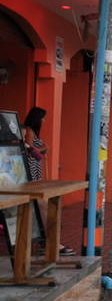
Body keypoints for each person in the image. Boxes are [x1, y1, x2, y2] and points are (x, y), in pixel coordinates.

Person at [23, 107, 75, 256]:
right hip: (32, 173)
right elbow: (32, 150)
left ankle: (48, 240)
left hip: (36, 172)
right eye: (42, 118)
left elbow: (40, 148)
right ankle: (50, 241)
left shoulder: (33, 132)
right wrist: (42, 148)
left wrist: (43, 148)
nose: (44, 121)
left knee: (46, 205)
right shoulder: (29, 131)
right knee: (44, 206)